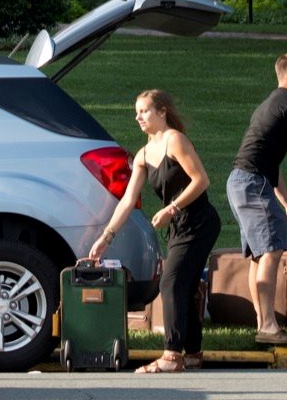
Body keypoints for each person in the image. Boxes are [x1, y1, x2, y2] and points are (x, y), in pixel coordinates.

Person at [89, 89, 219, 373]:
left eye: (144, 111)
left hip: (200, 222)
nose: (138, 117)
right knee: (182, 285)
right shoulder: (144, 155)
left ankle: (172, 356)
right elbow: (126, 201)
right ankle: (194, 353)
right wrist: (106, 237)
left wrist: (170, 208)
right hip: (178, 226)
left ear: (162, 112)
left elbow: (201, 180)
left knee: (170, 283)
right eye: (136, 112)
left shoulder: (176, 140)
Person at [225, 53, 287, 345]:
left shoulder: (269, 103)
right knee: (272, 251)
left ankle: (265, 324)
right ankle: (268, 327)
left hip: (241, 181)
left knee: (260, 256)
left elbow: (270, 163)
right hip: (252, 183)